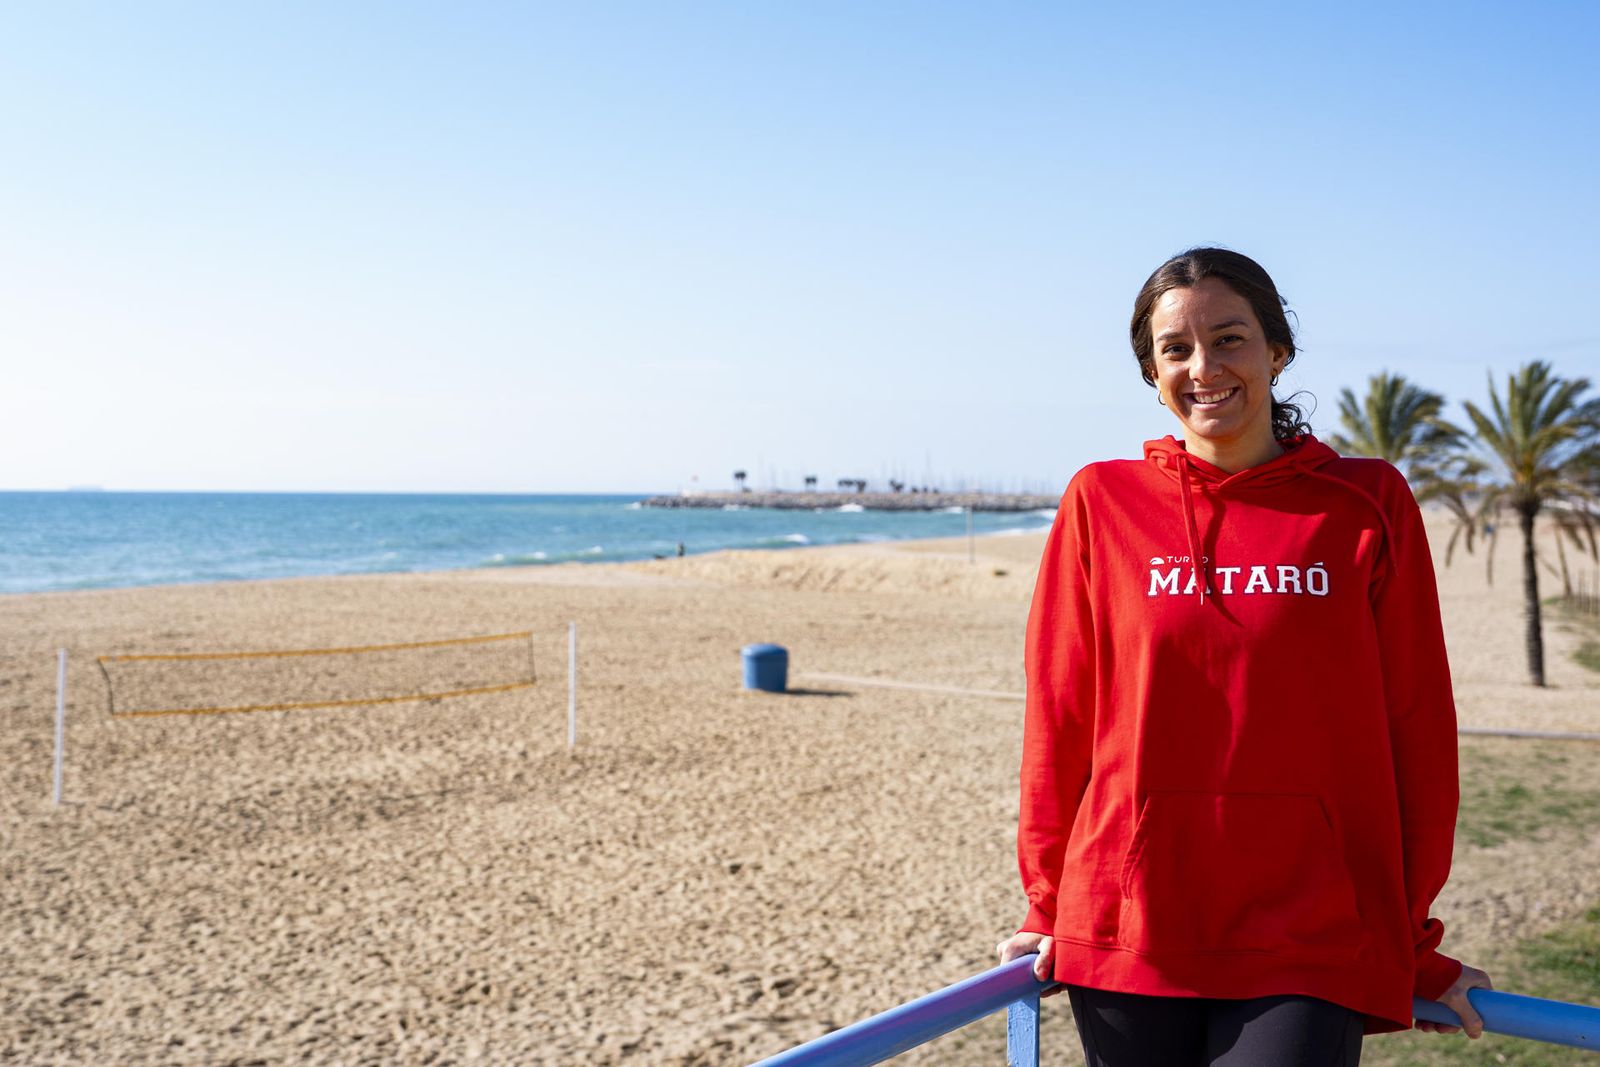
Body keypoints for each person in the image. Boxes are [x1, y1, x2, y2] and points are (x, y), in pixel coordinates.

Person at [996, 248, 1492, 1066]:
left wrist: (1413, 938)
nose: (1204, 368)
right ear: (1151, 371)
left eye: (1229, 339)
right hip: (1129, 919)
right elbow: (1060, 715)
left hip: (1313, 928)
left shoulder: (1366, 503)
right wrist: (1045, 907)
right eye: (1176, 349)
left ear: (1277, 351)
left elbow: (1419, 729)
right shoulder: (1100, 501)